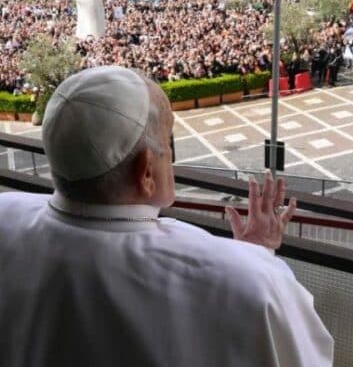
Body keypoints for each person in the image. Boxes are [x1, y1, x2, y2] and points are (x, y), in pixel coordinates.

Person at [0, 66, 334, 366]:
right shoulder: (252, 283)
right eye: (167, 138)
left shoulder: (5, 214)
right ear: (146, 173)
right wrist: (256, 257)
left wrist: (247, 257)